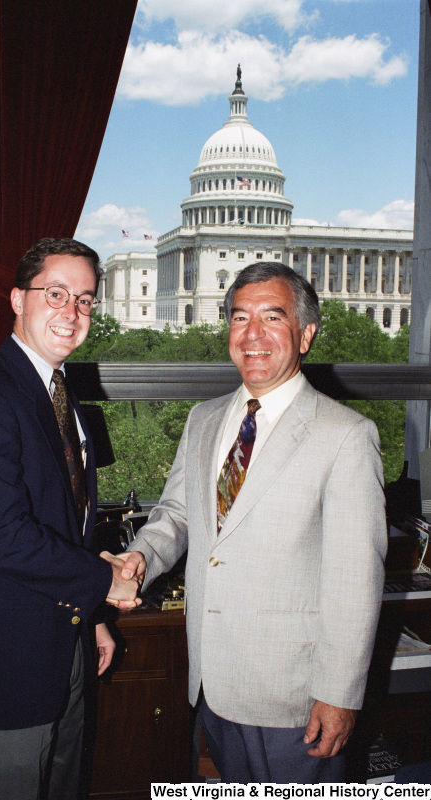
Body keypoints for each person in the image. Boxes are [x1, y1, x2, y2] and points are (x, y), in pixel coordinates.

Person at [120, 262, 387, 783]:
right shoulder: (204, 418)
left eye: (272, 317)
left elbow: (356, 580)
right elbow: (177, 515)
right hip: (213, 682)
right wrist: (138, 560)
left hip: (296, 698)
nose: (253, 335)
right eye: (240, 318)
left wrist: (339, 694)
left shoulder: (346, 435)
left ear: (305, 334)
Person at [0, 238, 140, 800]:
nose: (72, 313)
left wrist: (90, 615)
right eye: (56, 294)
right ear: (18, 299)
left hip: (62, 659)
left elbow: (63, 525)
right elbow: (2, 538)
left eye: (86, 300)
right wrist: (105, 581)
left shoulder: (60, 395)